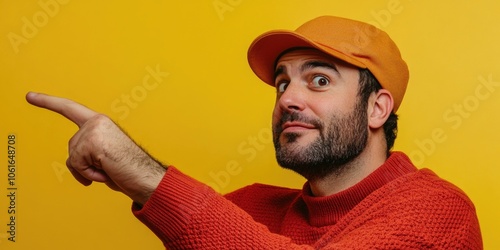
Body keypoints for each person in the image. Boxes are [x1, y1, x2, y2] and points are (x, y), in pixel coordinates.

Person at [26, 16, 482, 249]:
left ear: (377, 108)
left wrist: (142, 174)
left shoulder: (439, 212)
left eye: (319, 80)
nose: (287, 99)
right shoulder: (250, 208)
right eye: (283, 82)